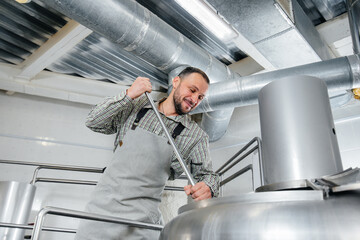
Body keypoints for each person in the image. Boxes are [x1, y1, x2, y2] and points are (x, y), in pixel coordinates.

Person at [75, 67, 220, 240]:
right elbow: (93, 122)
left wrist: (208, 187)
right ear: (176, 82)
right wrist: (128, 94)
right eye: (193, 90)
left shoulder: (196, 136)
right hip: (99, 215)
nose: (195, 99)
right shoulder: (135, 105)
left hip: (142, 225)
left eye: (201, 97)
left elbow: (208, 176)